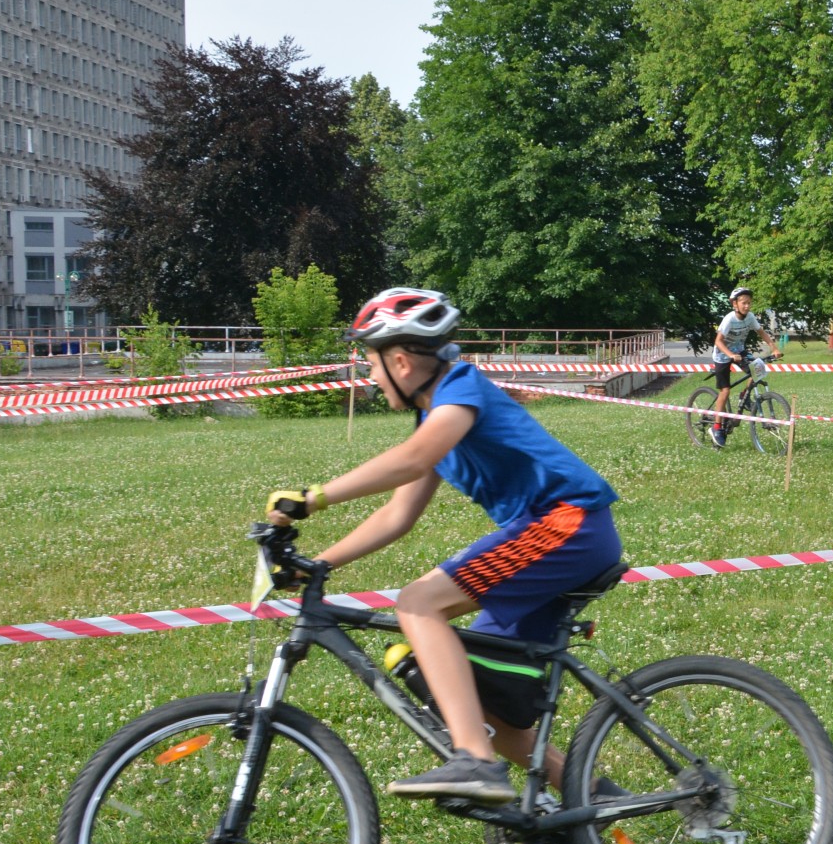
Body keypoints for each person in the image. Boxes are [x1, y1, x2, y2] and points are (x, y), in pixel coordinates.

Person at [265, 287, 624, 803]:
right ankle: (591, 796)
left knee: (418, 602)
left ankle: (475, 762)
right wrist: (320, 564)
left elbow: (413, 459)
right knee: (472, 698)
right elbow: (397, 516)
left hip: (568, 525)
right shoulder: (433, 417)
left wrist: (313, 498)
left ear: (401, 362)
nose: (369, 376)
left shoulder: (460, 390)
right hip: (553, 533)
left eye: (371, 363)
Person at [708, 286, 783, 447]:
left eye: (749, 303)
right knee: (725, 391)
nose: (747, 306)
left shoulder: (750, 317)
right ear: (735, 304)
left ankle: (744, 396)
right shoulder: (729, 319)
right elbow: (718, 341)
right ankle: (716, 427)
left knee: (758, 369)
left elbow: (761, 333)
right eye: (744, 303)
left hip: (739, 351)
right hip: (722, 355)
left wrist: (774, 348)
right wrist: (730, 354)